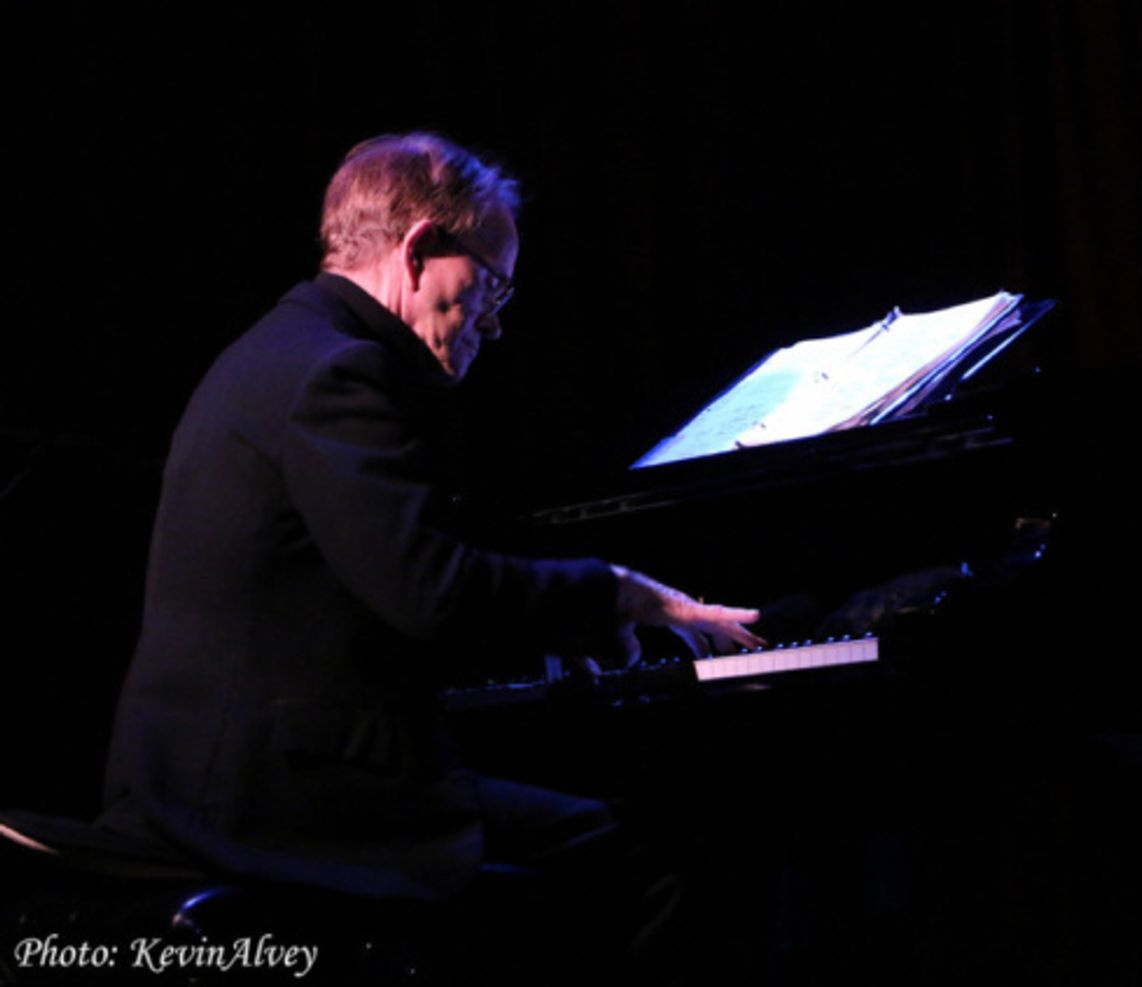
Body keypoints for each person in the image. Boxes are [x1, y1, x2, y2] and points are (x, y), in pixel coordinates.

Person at [96, 133, 760, 941]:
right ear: (419, 249)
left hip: (213, 776)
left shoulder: (282, 349)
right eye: (493, 287)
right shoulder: (338, 371)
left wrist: (538, 646)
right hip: (269, 799)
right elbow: (432, 593)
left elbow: (365, 598)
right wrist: (612, 591)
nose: (495, 322)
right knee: (641, 856)